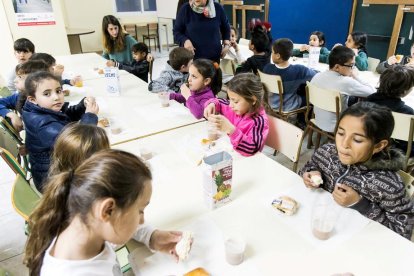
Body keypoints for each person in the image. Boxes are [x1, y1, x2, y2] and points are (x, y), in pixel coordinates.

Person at [24, 149, 183, 275]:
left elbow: (119, 223)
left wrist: (152, 236)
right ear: (107, 210)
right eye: (140, 211)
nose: (141, 221)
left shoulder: (82, 225)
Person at [299, 102, 414, 239]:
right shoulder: (326, 152)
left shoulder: (389, 185)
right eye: (341, 133)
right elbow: (307, 168)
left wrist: (360, 204)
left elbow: (401, 232)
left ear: (378, 146)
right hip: (316, 227)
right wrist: (310, 173)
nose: (344, 144)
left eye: (357, 140)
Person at [22, 71, 99, 192]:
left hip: (54, 169)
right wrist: (90, 116)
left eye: (58, 91)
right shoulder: (42, 124)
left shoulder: (41, 109)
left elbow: (65, 116)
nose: (56, 97)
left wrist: (82, 106)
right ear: (32, 99)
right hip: (54, 183)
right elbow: (78, 143)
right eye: (47, 94)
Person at [310, 46, 375, 132]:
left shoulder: (317, 76)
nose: (352, 68)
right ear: (337, 67)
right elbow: (372, 92)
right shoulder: (346, 82)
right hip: (338, 125)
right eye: (351, 65)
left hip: (317, 120)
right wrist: (355, 76)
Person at [204, 73, 269, 156]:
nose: (231, 105)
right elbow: (219, 102)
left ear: (253, 100)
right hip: (232, 153)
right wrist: (212, 104)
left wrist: (231, 130)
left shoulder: (259, 121)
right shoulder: (235, 108)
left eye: (235, 101)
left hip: (247, 161)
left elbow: (252, 149)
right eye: (230, 99)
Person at [367, 65, 414, 155]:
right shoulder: (407, 112)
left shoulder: (368, 100)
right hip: (393, 152)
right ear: (404, 91)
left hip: (368, 144)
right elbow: (408, 145)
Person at [263, 38, 317, 112]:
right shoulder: (299, 70)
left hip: (270, 104)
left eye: (272, 52)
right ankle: (303, 121)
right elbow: (315, 75)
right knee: (310, 97)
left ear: (278, 56)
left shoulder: (267, 68)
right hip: (288, 107)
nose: (271, 54)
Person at [0, 60, 50, 132]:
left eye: (20, 77)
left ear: (35, 80)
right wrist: (10, 113)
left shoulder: (45, 102)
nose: (15, 80)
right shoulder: (19, 96)